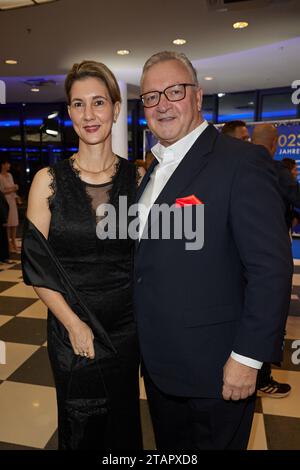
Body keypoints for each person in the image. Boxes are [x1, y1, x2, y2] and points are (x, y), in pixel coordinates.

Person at [135, 51, 293, 450]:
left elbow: (270, 268)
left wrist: (248, 358)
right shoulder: (153, 169)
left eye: (174, 91)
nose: (162, 104)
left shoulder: (240, 162)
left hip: (217, 369)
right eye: (152, 97)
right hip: (160, 366)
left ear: (198, 96)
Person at [22, 60, 143, 450]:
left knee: (123, 423)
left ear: (115, 107)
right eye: (77, 104)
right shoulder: (48, 181)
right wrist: (73, 324)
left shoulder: (139, 179)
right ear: (69, 111)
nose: (88, 115)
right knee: (82, 425)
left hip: (127, 328)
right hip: (71, 325)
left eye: (98, 102)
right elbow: (36, 264)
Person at [0, 157, 20, 253]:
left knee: (14, 223)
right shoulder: (0, 177)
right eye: (7, 163)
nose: (9, 165)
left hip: (12, 201)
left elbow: (12, 189)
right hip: (5, 202)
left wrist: (16, 196)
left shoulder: (10, 175)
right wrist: (13, 189)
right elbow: (2, 191)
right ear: (2, 165)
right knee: (8, 224)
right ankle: (8, 245)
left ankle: (14, 243)